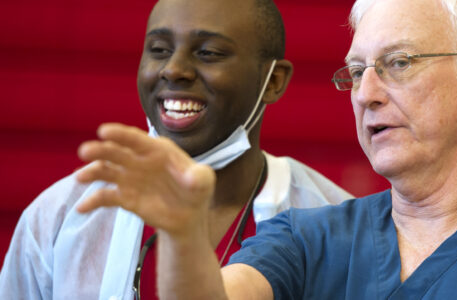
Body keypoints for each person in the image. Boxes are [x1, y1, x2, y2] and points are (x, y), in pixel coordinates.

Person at [34, 0, 457, 299]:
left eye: (398, 64)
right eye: (356, 72)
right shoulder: (307, 237)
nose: (367, 95)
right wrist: (184, 234)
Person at [0, 0, 354, 299]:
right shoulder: (59, 217)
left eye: (209, 53)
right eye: (159, 50)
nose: (174, 69)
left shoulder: (334, 222)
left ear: (273, 81)